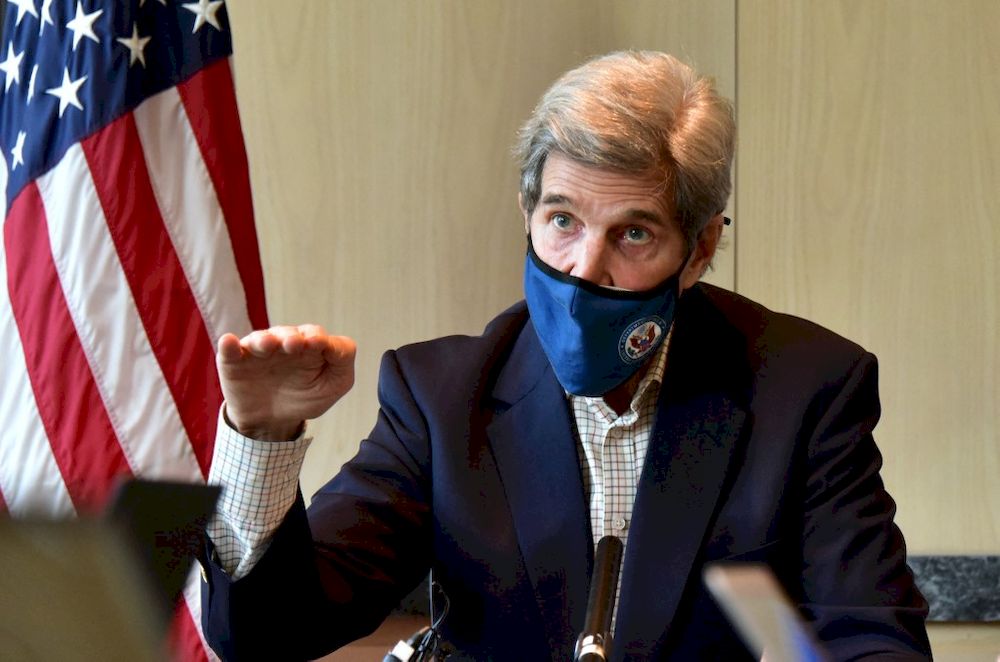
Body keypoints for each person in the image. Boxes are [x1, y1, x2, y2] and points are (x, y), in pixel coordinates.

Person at [201, 51, 931, 660]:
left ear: (700, 249)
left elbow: (870, 638)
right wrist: (261, 437)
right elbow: (267, 635)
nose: (584, 269)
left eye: (634, 234)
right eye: (562, 221)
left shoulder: (802, 391)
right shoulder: (443, 395)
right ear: (528, 215)